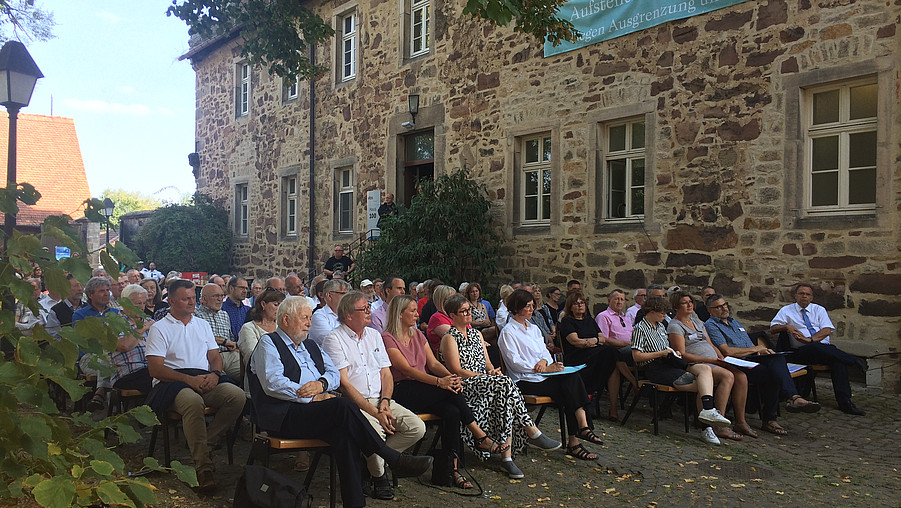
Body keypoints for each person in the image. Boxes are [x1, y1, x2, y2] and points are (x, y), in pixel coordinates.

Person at [248, 295, 432, 508]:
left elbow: (334, 374)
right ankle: (392, 458)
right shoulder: (268, 343)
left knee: (345, 437)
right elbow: (273, 383)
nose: (309, 323)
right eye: (304, 318)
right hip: (283, 416)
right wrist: (311, 396)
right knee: (343, 405)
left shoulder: (310, 346)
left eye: (310, 318)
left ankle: (355, 503)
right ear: (286, 320)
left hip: (314, 413)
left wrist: (322, 385)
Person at [383, 295, 507, 489]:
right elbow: (407, 370)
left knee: (453, 411)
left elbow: (432, 363)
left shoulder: (417, 335)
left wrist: (451, 377)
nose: (417, 314)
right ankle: (480, 436)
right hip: (403, 389)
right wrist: (441, 382)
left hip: (425, 387)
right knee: (450, 391)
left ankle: (452, 469)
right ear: (399, 314)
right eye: (413, 311)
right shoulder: (387, 338)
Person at [439, 294, 561, 479]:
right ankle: (529, 431)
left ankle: (508, 458)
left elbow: (487, 363)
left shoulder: (476, 334)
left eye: (469, 310)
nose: (468, 314)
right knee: (505, 383)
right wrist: (486, 376)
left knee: (504, 392)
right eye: (463, 311)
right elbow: (456, 370)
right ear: (452, 315)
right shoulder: (449, 338)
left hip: (487, 383)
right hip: (466, 385)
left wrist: (492, 372)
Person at [321, 291, 426, 500]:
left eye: (369, 307)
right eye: (364, 309)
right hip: (354, 404)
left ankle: (369, 462)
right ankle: (380, 478)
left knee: (417, 428)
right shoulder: (334, 338)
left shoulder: (374, 335)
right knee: (374, 433)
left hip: (381, 399)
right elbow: (344, 385)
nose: (370, 311)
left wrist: (385, 403)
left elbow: (386, 373)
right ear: (349, 315)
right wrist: (375, 413)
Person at [145, 279, 248, 492]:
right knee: (192, 402)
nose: (192, 302)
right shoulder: (160, 329)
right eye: (186, 299)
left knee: (237, 396)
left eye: (193, 297)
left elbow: (214, 356)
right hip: (172, 382)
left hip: (203, 377)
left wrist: (216, 374)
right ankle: (203, 467)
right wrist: (187, 380)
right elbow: (155, 370)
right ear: (171, 301)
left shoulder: (202, 325)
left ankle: (205, 444)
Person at [499, 289, 602, 461]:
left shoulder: (533, 329)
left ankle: (581, 430)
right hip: (524, 380)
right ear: (517, 308)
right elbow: (514, 363)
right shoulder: (508, 332)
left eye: (533, 306)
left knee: (571, 379)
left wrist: (545, 363)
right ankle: (578, 436)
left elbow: (545, 352)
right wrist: (539, 368)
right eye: (528, 307)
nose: (532, 310)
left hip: (543, 375)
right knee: (569, 387)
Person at [705, 293, 820, 436]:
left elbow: (749, 344)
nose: (724, 308)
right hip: (736, 363)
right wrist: (755, 349)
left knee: (776, 360)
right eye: (718, 307)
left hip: (752, 358)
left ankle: (791, 401)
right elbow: (727, 351)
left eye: (724, 305)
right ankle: (778, 411)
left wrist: (762, 350)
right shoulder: (711, 325)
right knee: (773, 373)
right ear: (710, 310)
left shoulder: (734, 322)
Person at [631, 296, 731, 445]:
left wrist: (672, 352)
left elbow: (666, 348)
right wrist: (661, 353)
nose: (665, 316)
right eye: (662, 313)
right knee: (704, 387)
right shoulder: (640, 328)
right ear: (652, 312)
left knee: (704, 371)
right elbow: (636, 356)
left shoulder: (660, 327)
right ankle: (706, 427)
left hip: (670, 361)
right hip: (655, 367)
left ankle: (708, 412)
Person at [769, 283, 867, 416]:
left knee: (838, 362)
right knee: (815, 347)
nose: (804, 296)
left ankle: (845, 403)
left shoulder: (819, 310)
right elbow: (773, 328)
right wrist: (787, 327)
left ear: (811, 297)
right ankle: (853, 360)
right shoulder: (786, 310)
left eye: (807, 294)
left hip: (822, 349)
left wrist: (810, 339)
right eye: (801, 293)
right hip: (801, 352)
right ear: (795, 296)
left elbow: (826, 330)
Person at [666, 290, 751, 441]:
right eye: (684, 303)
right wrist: (712, 361)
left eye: (690, 302)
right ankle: (719, 423)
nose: (689, 305)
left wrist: (721, 357)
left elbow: (710, 344)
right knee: (728, 376)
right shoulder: (675, 326)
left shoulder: (698, 322)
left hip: (713, 361)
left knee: (740, 375)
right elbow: (682, 354)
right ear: (676, 307)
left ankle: (736, 420)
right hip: (696, 364)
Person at [557, 291, 619, 417]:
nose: (580, 306)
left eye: (582, 303)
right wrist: (592, 342)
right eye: (576, 304)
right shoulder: (567, 321)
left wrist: (592, 341)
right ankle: (592, 394)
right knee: (610, 354)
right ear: (570, 307)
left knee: (611, 354)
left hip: (593, 352)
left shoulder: (589, 320)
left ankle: (592, 395)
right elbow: (575, 342)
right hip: (576, 355)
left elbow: (602, 339)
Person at [72, 276, 119, 410]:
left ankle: (101, 395)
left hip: (113, 355)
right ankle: (110, 405)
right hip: (89, 357)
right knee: (107, 362)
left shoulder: (116, 313)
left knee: (112, 362)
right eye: (101, 291)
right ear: (90, 295)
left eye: (108, 290)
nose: (106, 294)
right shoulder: (80, 315)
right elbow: (84, 341)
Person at [594, 289, 639, 421]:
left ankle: (639, 385)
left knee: (616, 367)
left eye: (622, 299)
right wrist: (626, 344)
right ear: (609, 301)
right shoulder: (604, 316)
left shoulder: (625, 318)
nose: (619, 302)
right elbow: (604, 340)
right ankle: (636, 383)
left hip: (627, 353)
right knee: (616, 357)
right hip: (612, 351)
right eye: (616, 299)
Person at [193, 283, 241, 381]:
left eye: (222, 296)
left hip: (229, 355)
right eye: (216, 296)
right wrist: (224, 342)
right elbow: (200, 338)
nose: (220, 299)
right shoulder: (195, 315)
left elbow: (230, 337)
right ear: (204, 299)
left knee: (252, 372)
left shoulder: (224, 315)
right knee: (225, 382)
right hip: (209, 357)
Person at [110, 284, 153, 393]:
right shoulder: (114, 323)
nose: (143, 308)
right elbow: (124, 346)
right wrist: (143, 328)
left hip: (151, 370)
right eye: (138, 303)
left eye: (144, 303)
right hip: (128, 374)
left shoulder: (148, 320)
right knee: (161, 382)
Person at [238, 288, 286, 374]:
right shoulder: (249, 328)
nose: (279, 309)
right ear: (263, 304)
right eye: (276, 305)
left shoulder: (282, 327)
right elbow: (253, 358)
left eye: (281, 305)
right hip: (259, 376)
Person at [308, 279, 350, 345]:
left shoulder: (350, 314)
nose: (348, 298)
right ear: (329, 295)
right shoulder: (319, 316)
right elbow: (332, 341)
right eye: (343, 294)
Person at [46, 275, 84, 340]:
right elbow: (53, 337)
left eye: (81, 285)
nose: (80, 288)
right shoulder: (56, 311)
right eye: (76, 286)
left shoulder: (88, 307)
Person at [425, 285, 456, 353]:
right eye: (451, 299)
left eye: (455, 298)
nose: (455, 301)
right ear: (441, 300)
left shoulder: (453, 315)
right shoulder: (437, 318)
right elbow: (457, 339)